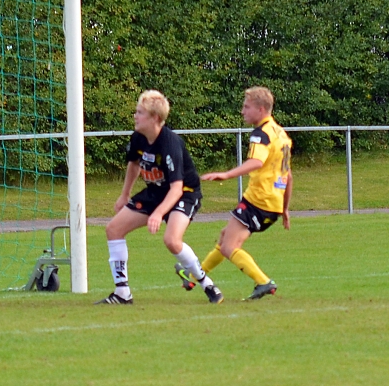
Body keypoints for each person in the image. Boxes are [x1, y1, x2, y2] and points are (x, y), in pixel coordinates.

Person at [96, 90, 223, 305]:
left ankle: (207, 284)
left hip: (185, 194)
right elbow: (134, 164)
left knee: (172, 241)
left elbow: (176, 188)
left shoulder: (169, 144)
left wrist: (158, 213)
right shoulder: (138, 137)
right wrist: (124, 194)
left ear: (155, 118)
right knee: (114, 229)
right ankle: (122, 293)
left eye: (140, 112)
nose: (135, 116)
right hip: (155, 192)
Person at [196, 86, 292, 300]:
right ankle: (194, 276)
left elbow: (256, 162)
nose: (242, 111)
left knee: (229, 246)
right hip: (272, 204)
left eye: (246, 107)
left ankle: (263, 282)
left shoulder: (262, 134)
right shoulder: (281, 134)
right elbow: (289, 175)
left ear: (260, 109)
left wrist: (227, 174)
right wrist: (284, 208)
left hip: (259, 200)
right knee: (225, 238)